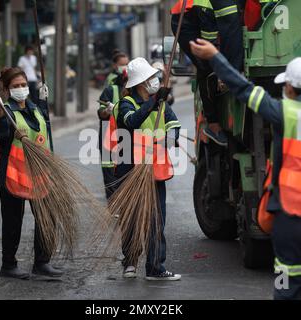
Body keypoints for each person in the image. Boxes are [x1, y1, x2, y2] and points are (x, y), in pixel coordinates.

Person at [190, 38, 301, 300]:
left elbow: (243, 89)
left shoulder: (285, 112)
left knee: (287, 287)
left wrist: (215, 57)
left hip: (295, 217)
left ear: (290, 87)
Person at [111, 58, 181, 280]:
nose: (156, 81)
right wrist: (153, 103)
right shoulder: (126, 103)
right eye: (152, 78)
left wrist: (171, 138)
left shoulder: (160, 102)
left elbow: (173, 123)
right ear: (141, 82)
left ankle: (155, 268)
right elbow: (131, 122)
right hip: (130, 171)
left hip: (154, 171)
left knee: (156, 220)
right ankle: (130, 261)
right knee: (131, 219)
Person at [0, 67, 61, 280]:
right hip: (13, 174)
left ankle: (42, 262)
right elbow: (0, 133)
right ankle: (8, 266)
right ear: (7, 89)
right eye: (15, 86)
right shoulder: (6, 111)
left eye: (23, 85)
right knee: (13, 221)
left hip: (40, 173)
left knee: (47, 217)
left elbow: (45, 133)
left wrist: (43, 103)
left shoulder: (36, 108)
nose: (21, 89)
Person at [171, 0, 243, 146]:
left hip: (203, 17)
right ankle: (213, 125)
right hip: (185, 22)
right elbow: (209, 41)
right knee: (207, 66)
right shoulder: (207, 8)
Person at [98, 53, 129, 199]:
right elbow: (100, 113)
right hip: (108, 138)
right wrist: (107, 111)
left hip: (125, 139)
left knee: (124, 174)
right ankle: (113, 204)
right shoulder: (111, 90)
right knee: (110, 174)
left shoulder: (136, 93)